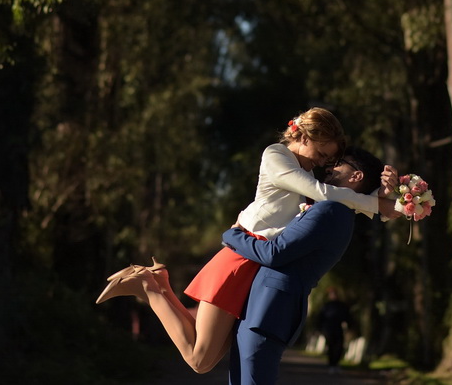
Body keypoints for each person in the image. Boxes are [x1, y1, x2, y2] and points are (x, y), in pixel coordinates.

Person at [95, 108, 400, 374]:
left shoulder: (304, 172)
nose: (322, 164)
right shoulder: (277, 156)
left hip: (254, 262)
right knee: (199, 360)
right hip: (240, 258)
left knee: (207, 357)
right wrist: (379, 206)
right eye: (321, 154)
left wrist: (385, 197)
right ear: (305, 137)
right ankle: (150, 286)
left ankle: (156, 282)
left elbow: (339, 194)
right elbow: (326, 194)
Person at [221, 146, 385, 384]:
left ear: (356, 176)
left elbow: (275, 253)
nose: (329, 167)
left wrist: (233, 235)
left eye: (339, 164)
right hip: (266, 309)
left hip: (268, 310)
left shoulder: (331, 209)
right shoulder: (338, 210)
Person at [317, 287, 351, 373]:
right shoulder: (326, 306)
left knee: (339, 347)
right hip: (328, 329)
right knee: (331, 347)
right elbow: (320, 318)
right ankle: (331, 364)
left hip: (338, 329)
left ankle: (336, 363)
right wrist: (319, 329)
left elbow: (347, 317)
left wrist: (349, 326)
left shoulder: (341, 306)